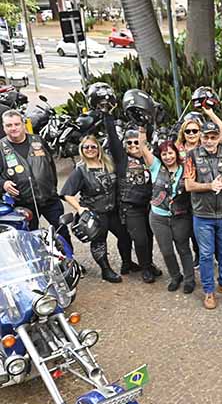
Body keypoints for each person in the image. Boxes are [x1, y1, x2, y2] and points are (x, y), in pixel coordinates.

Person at [184, 121, 222, 309]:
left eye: (213, 137)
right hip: (203, 215)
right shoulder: (192, 155)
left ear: (218, 137)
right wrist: (210, 186)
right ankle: (209, 291)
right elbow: (189, 185)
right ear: (201, 137)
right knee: (206, 254)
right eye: (206, 137)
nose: (209, 141)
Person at [61, 135, 132, 282]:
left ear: (99, 148)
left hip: (113, 210)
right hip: (95, 212)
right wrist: (80, 208)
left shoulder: (108, 164)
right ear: (82, 150)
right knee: (99, 242)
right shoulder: (80, 170)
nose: (90, 149)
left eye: (93, 146)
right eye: (86, 147)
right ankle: (106, 270)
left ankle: (127, 263)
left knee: (125, 236)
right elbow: (66, 193)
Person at [1, 109, 70, 248]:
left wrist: (53, 188)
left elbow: (51, 166)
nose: (13, 128)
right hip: (23, 205)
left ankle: (69, 261)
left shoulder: (38, 141)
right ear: (3, 127)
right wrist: (3, 184)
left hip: (50, 199)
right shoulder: (0, 148)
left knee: (61, 233)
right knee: (29, 239)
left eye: (16, 124)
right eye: (9, 125)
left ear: (23, 124)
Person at [105, 114, 161, 284]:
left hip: (149, 206)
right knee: (140, 239)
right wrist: (108, 115)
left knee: (149, 237)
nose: (133, 145)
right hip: (131, 208)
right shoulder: (122, 160)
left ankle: (148, 263)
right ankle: (144, 268)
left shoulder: (149, 159)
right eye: (129, 143)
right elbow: (113, 138)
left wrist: (148, 120)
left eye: (136, 142)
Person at [139, 129, 195, 293]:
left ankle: (190, 279)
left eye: (170, 153)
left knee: (183, 248)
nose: (168, 157)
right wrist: (142, 129)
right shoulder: (156, 167)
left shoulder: (185, 169)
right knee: (166, 251)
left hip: (180, 216)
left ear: (176, 154)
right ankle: (176, 276)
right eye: (164, 154)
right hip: (158, 217)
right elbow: (143, 147)